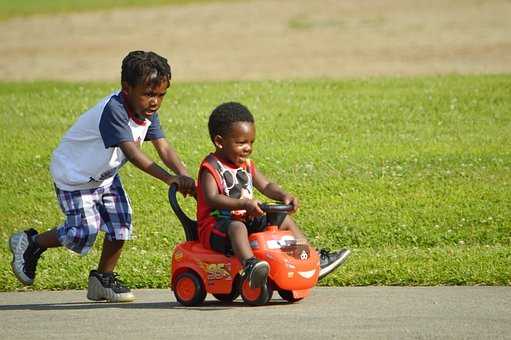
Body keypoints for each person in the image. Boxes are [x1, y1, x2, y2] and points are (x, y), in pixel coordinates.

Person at [9, 51, 195, 302]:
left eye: (161, 95)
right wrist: (168, 178)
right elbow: (133, 153)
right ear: (126, 88)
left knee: (121, 224)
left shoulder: (147, 112)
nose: (155, 102)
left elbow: (163, 146)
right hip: (75, 176)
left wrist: (184, 175)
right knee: (82, 232)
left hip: (104, 176)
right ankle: (32, 243)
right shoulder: (115, 110)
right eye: (149, 94)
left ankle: (102, 280)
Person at [197, 102, 350, 288]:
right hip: (216, 227)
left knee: (282, 220)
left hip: (245, 218)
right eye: (241, 143)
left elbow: (267, 185)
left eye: (251, 142)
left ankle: (307, 256)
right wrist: (244, 204)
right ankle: (250, 266)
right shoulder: (210, 167)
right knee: (237, 227)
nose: (248, 148)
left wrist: (284, 196)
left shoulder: (246, 164)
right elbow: (212, 198)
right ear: (220, 142)